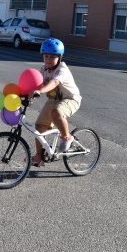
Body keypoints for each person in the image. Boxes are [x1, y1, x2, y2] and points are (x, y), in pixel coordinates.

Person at [30, 38, 82, 166]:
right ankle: (39, 156)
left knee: (56, 112)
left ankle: (67, 137)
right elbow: (36, 83)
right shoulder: (43, 69)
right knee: (39, 126)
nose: (48, 59)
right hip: (54, 100)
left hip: (70, 99)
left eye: (52, 57)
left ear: (59, 57)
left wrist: (40, 91)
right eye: (46, 56)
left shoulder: (62, 70)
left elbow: (54, 82)